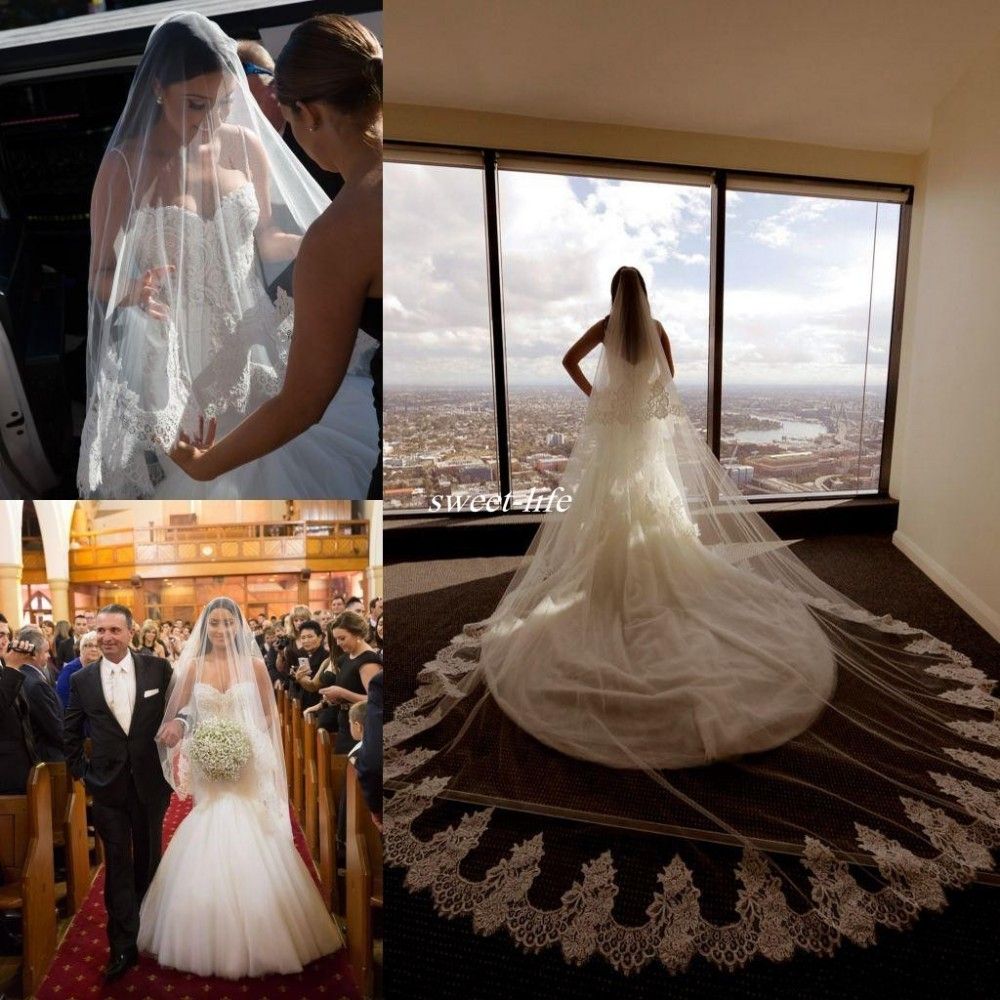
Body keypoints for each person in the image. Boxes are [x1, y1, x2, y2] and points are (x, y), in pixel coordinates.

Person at [385, 266, 1000, 974]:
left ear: (614, 299)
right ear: (645, 299)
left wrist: (601, 398)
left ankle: (607, 599)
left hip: (614, 446)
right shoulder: (657, 333)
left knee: (606, 536)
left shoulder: (604, 330)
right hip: (642, 447)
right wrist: (635, 404)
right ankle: (635, 593)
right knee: (658, 533)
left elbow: (566, 363)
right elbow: (668, 392)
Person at [79, 11, 374, 499]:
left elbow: (269, 239)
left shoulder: (244, 145)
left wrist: (326, 243)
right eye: (196, 105)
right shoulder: (123, 167)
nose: (213, 120)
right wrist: (132, 289)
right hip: (179, 360)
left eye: (224, 104)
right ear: (158, 89)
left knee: (285, 471)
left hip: (255, 344)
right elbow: (98, 276)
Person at [170, 13, 382, 499]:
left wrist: (205, 467)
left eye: (287, 119)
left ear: (307, 113)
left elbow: (303, 403)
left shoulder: (342, 230)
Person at [138, 597, 342, 978]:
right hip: (208, 761)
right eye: (213, 623)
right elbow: (178, 712)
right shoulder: (194, 667)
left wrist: (247, 742)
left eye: (227, 624)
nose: (219, 630)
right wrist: (182, 733)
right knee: (211, 821)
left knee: (248, 823)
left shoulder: (253, 666)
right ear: (205, 627)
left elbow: (269, 713)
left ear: (238, 627)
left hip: (246, 758)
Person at [64, 604, 178, 983]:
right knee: (117, 865)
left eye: (115, 629)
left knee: (148, 857)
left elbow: (180, 710)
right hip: (108, 787)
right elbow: (70, 733)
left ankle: (150, 929)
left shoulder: (158, 670)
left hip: (149, 783)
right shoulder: (83, 680)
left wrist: (178, 728)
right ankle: (122, 944)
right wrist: (85, 773)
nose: (107, 637)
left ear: (131, 632)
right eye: (101, 631)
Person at [302, 611, 379, 752]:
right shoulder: (345, 658)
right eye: (336, 639)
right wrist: (324, 703)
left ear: (357, 634)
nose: (338, 643)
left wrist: (341, 692)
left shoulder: (368, 661)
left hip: (362, 726)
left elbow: (375, 700)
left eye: (342, 638)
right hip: (345, 722)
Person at [15, 626, 65, 762]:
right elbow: (52, 727)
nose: (49, 656)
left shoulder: (23, 675)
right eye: (46, 652)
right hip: (50, 756)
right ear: (33, 654)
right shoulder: (35, 683)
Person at [0, 638, 38, 795]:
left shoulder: (5, 669)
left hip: (22, 767)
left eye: (5, 635)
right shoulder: (10, 670)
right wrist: (13, 667)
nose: (3, 641)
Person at [56, 629, 102, 710]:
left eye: (97, 646)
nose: (94, 649)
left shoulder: (102, 667)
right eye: (89, 645)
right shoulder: (69, 670)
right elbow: (63, 702)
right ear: (81, 648)